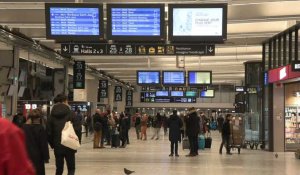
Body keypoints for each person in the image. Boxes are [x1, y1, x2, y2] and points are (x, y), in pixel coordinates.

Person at [47, 94, 76, 175]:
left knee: (59, 168)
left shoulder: (51, 115)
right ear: (65, 101)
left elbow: (48, 132)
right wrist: (76, 142)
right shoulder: (71, 113)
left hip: (57, 145)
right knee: (71, 168)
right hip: (70, 144)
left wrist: (53, 144)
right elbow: (77, 129)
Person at [23, 109, 50, 175]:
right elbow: (43, 144)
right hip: (38, 157)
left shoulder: (23, 128)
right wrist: (46, 157)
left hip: (25, 155)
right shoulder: (40, 128)